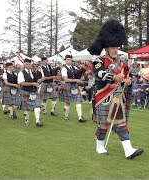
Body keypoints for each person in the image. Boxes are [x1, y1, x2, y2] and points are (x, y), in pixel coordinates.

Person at [88, 19, 143, 159]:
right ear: (106, 48)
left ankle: (128, 150)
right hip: (104, 98)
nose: (115, 50)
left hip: (118, 98)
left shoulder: (122, 62)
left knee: (121, 124)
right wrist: (114, 78)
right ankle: (99, 147)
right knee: (104, 126)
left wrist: (128, 81)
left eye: (117, 48)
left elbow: (125, 77)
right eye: (113, 47)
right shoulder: (99, 61)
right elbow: (99, 74)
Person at [60, 55, 86, 122]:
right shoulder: (64, 69)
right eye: (67, 59)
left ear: (72, 60)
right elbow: (65, 79)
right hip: (68, 86)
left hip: (75, 86)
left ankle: (80, 117)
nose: (69, 61)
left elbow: (78, 74)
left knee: (78, 101)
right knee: (67, 103)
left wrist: (81, 77)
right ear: (65, 60)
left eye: (70, 59)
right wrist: (76, 80)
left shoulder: (74, 67)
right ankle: (66, 117)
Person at [17, 58, 43, 127]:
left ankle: (38, 121)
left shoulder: (33, 72)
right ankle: (26, 120)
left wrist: (39, 80)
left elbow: (36, 80)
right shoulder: (21, 73)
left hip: (34, 92)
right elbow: (22, 83)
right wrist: (32, 84)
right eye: (27, 64)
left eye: (29, 64)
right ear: (24, 65)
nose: (28, 65)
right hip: (26, 91)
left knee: (37, 106)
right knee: (26, 107)